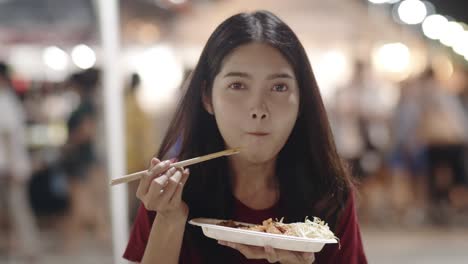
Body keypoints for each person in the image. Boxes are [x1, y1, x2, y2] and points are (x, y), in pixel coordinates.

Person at [124, 11, 367, 264]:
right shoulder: (171, 190)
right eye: (238, 85)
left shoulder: (328, 193)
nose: (258, 109)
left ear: (301, 100)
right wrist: (169, 219)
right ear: (207, 97)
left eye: (279, 87)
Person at [0, 61, 40, 261]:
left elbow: (8, 138)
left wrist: (11, 166)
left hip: (10, 167)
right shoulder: (8, 100)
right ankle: (20, 249)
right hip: (11, 166)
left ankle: (28, 250)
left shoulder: (5, 101)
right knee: (14, 210)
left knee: (17, 210)